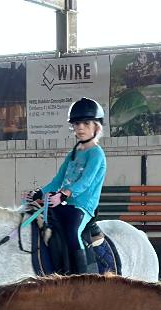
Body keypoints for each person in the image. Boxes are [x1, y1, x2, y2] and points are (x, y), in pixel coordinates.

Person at [27, 97, 107, 274]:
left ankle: (83, 276)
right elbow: (57, 181)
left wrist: (63, 195)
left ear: (97, 127)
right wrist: (39, 192)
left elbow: (85, 182)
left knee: (72, 232)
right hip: (67, 203)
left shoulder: (96, 154)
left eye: (86, 123)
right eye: (76, 124)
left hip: (83, 206)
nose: (80, 128)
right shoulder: (73, 154)